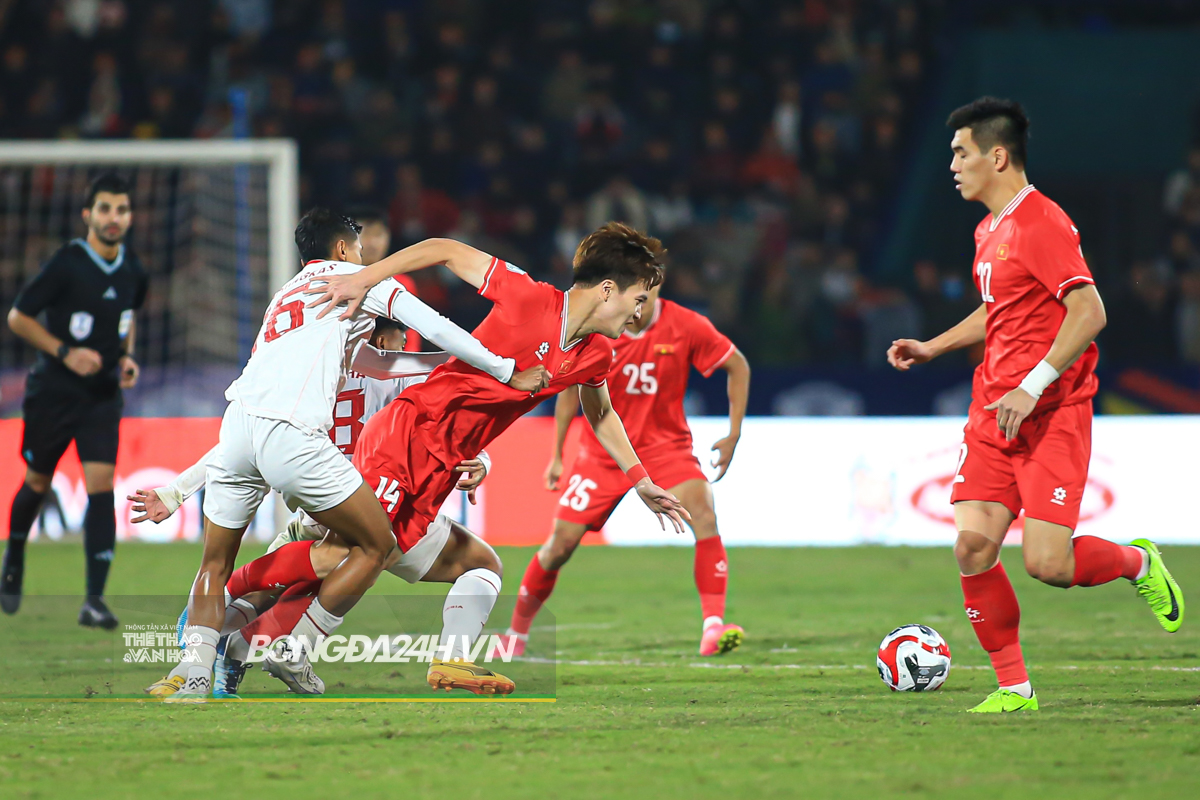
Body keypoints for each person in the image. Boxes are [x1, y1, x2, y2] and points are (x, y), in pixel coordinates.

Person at [224, 222, 691, 695]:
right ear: (608, 290)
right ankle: (225, 605)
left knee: (478, 564)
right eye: (638, 300)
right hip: (408, 434)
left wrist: (640, 480)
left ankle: (447, 661)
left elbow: (603, 413)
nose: (638, 315)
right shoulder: (529, 296)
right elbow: (443, 248)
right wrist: (366, 278)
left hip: (445, 467)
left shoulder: (595, 356)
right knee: (353, 552)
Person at [161, 208, 548, 702]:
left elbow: (261, 401)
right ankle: (269, 644)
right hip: (342, 473)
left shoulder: (287, 302)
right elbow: (437, 347)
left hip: (253, 434)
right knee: (369, 549)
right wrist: (503, 369)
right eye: (363, 249)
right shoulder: (368, 294)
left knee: (258, 569)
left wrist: (176, 490)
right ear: (344, 250)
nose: (369, 261)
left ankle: (200, 662)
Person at [887, 97, 1184, 713]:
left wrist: (1034, 384)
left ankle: (1136, 562)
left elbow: (1090, 311)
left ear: (997, 156)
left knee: (1048, 564)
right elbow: (1000, 309)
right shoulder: (987, 229)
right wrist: (933, 346)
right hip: (993, 412)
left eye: (961, 153)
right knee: (972, 548)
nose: (953, 164)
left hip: (1052, 413)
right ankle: (1014, 689)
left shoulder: (1041, 223)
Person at [133, 317, 493, 697]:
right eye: (402, 338)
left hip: (315, 502)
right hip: (377, 503)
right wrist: (482, 459)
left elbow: (243, 441)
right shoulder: (400, 374)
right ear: (384, 338)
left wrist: (177, 490)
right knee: (476, 564)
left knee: (278, 587)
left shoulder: (306, 370)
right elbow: (448, 426)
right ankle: (448, 657)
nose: (404, 347)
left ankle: (198, 659)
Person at [498, 272, 751, 657]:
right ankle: (515, 635)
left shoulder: (686, 325)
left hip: (667, 450)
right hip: (602, 455)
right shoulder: (599, 331)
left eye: (646, 294)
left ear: (658, 288)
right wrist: (557, 454)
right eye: (635, 294)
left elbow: (738, 366)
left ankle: (712, 626)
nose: (639, 304)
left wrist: (733, 433)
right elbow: (570, 391)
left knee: (704, 514)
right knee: (558, 546)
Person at [2, 174, 147, 628]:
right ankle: (16, 552)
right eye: (104, 209)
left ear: (129, 216)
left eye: (121, 210)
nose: (113, 218)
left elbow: (128, 318)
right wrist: (65, 352)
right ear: (88, 215)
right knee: (38, 483)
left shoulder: (133, 271)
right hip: (54, 393)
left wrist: (126, 358)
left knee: (100, 487)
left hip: (102, 397)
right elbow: (18, 318)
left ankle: (94, 600)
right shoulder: (67, 262)